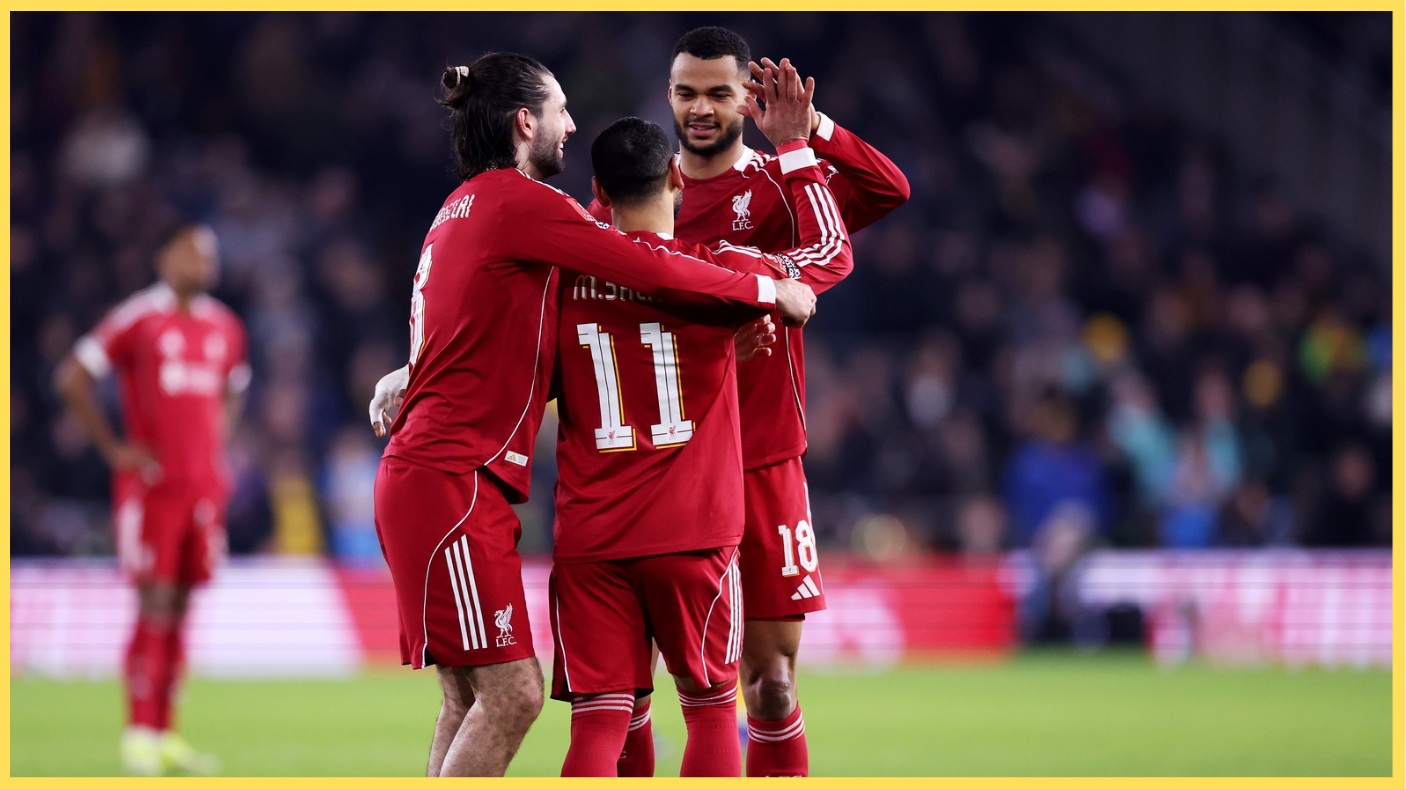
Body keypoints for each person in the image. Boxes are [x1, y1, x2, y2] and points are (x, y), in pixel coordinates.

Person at [370, 52, 816, 778]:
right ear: (524, 122)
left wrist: (407, 370)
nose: (570, 124)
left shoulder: (463, 209)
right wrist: (766, 292)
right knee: (518, 695)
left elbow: (475, 333)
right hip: (463, 480)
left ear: (603, 189)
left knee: (470, 697)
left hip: (506, 502)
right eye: (559, 110)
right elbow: (649, 263)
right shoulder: (526, 205)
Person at [585, 27, 910, 777]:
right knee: (635, 692)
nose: (699, 108)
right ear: (668, 96)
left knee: (770, 683)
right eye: (685, 92)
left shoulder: (779, 186)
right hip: (660, 460)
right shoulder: (632, 196)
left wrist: (809, 132)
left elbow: (889, 190)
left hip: (761, 460)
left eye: (717, 93)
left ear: (747, 99)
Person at [54, 224, 248, 776]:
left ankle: (165, 735)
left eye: (209, 253)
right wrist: (116, 450)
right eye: (191, 251)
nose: (203, 262)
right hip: (153, 489)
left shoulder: (225, 327)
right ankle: (139, 732)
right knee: (155, 601)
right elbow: (72, 376)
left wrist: (216, 446)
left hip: (202, 490)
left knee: (183, 605)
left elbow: (234, 390)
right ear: (164, 255)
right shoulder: (137, 318)